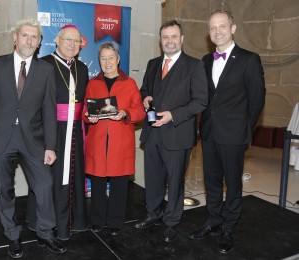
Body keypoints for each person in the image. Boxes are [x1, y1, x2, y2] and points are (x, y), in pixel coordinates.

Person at [0, 18, 66, 258]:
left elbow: (49, 109)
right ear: (15, 38)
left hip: (34, 139)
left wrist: (51, 145)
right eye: (25, 35)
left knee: (45, 185)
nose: (29, 40)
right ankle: (13, 236)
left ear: (39, 43)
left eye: (34, 37)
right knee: (5, 190)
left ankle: (46, 233)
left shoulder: (46, 70)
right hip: (1, 138)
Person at [188, 10, 266, 254]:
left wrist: (245, 130)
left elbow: (257, 100)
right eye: (212, 28)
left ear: (233, 28)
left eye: (222, 26)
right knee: (211, 181)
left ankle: (229, 227)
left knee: (232, 184)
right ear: (208, 33)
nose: (217, 31)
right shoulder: (206, 60)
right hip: (209, 132)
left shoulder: (249, 59)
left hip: (234, 134)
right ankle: (213, 220)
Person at [133, 20, 208, 243]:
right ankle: (152, 214)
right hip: (152, 132)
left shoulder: (194, 66)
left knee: (175, 182)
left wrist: (173, 115)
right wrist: (144, 97)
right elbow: (145, 88)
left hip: (178, 134)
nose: (169, 41)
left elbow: (201, 101)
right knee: (153, 178)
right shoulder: (153, 63)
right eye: (165, 37)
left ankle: (171, 222)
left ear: (182, 38)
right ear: (160, 40)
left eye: (174, 36)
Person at [26, 24, 89, 241]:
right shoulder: (43, 65)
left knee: (73, 175)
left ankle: (73, 221)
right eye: (67, 40)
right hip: (50, 132)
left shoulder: (82, 68)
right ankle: (46, 223)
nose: (72, 44)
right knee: (48, 178)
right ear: (57, 41)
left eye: (76, 41)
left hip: (75, 133)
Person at [82, 42, 145, 236]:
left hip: (120, 143)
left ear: (118, 59)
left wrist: (125, 113)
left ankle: (116, 222)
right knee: (98, 185)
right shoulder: (93, 84)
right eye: (103, 58)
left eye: (111, 58)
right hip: (98, 142)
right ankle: (97, 220)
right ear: (99, 61)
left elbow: (140, 111)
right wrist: (88, 116)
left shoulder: (130, 83)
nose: (107, 62)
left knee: (119, 185)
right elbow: (85, 110)